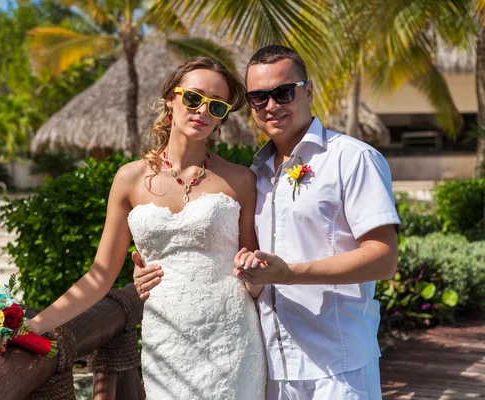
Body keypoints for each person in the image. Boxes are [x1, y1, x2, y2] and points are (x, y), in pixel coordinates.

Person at [133, 45, 400, 400]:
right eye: (259, 98)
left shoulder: (352, 158)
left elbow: (384, 259)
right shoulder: (254, 174)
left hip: (337, 364)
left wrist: (290, 273)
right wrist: (155, 272)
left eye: (283, 92)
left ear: (308, 91)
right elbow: (219, 254)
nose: (272, 105)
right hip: (269, 366)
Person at [26, 56, 267, 399]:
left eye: (216, 106)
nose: (202, 111)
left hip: (231, 336)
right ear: (172, 99)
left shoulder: (241, 180)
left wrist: (255, 272)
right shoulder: (129, 178)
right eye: (194, 98)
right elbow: (99, 275)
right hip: (166, 341)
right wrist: (36, 324)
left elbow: (253, 272)